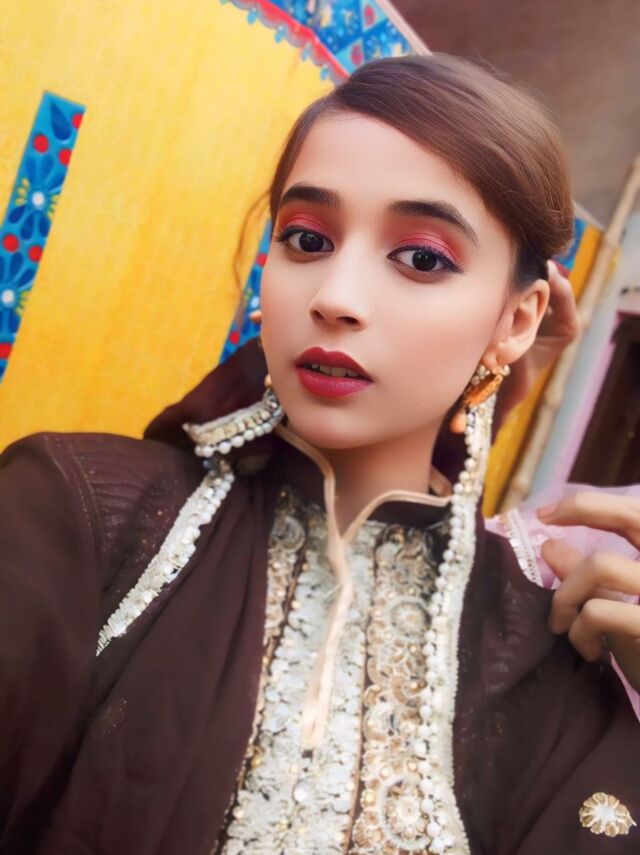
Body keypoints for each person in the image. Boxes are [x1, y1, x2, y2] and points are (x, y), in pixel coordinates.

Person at [0, 53, 638, 855]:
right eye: (307, 239)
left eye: (421, 258)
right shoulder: (82, 517)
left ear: (517, 320)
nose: (334, 296)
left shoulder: (542, 655)